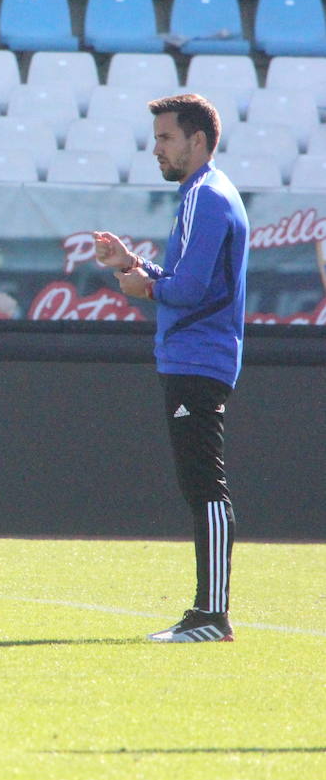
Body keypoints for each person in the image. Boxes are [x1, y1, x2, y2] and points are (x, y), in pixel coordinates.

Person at [93, 93, 248, 643]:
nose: (155, 148)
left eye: (165, 138)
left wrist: (147, 285)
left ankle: (212, 616)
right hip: (193, 355)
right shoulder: (199, 194)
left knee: (205, 484)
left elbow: (190, 288)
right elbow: (185, 277)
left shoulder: (207, 196)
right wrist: (133, 265)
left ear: (198, 141)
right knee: (199, 483)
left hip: (199, 356)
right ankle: (208, 612)